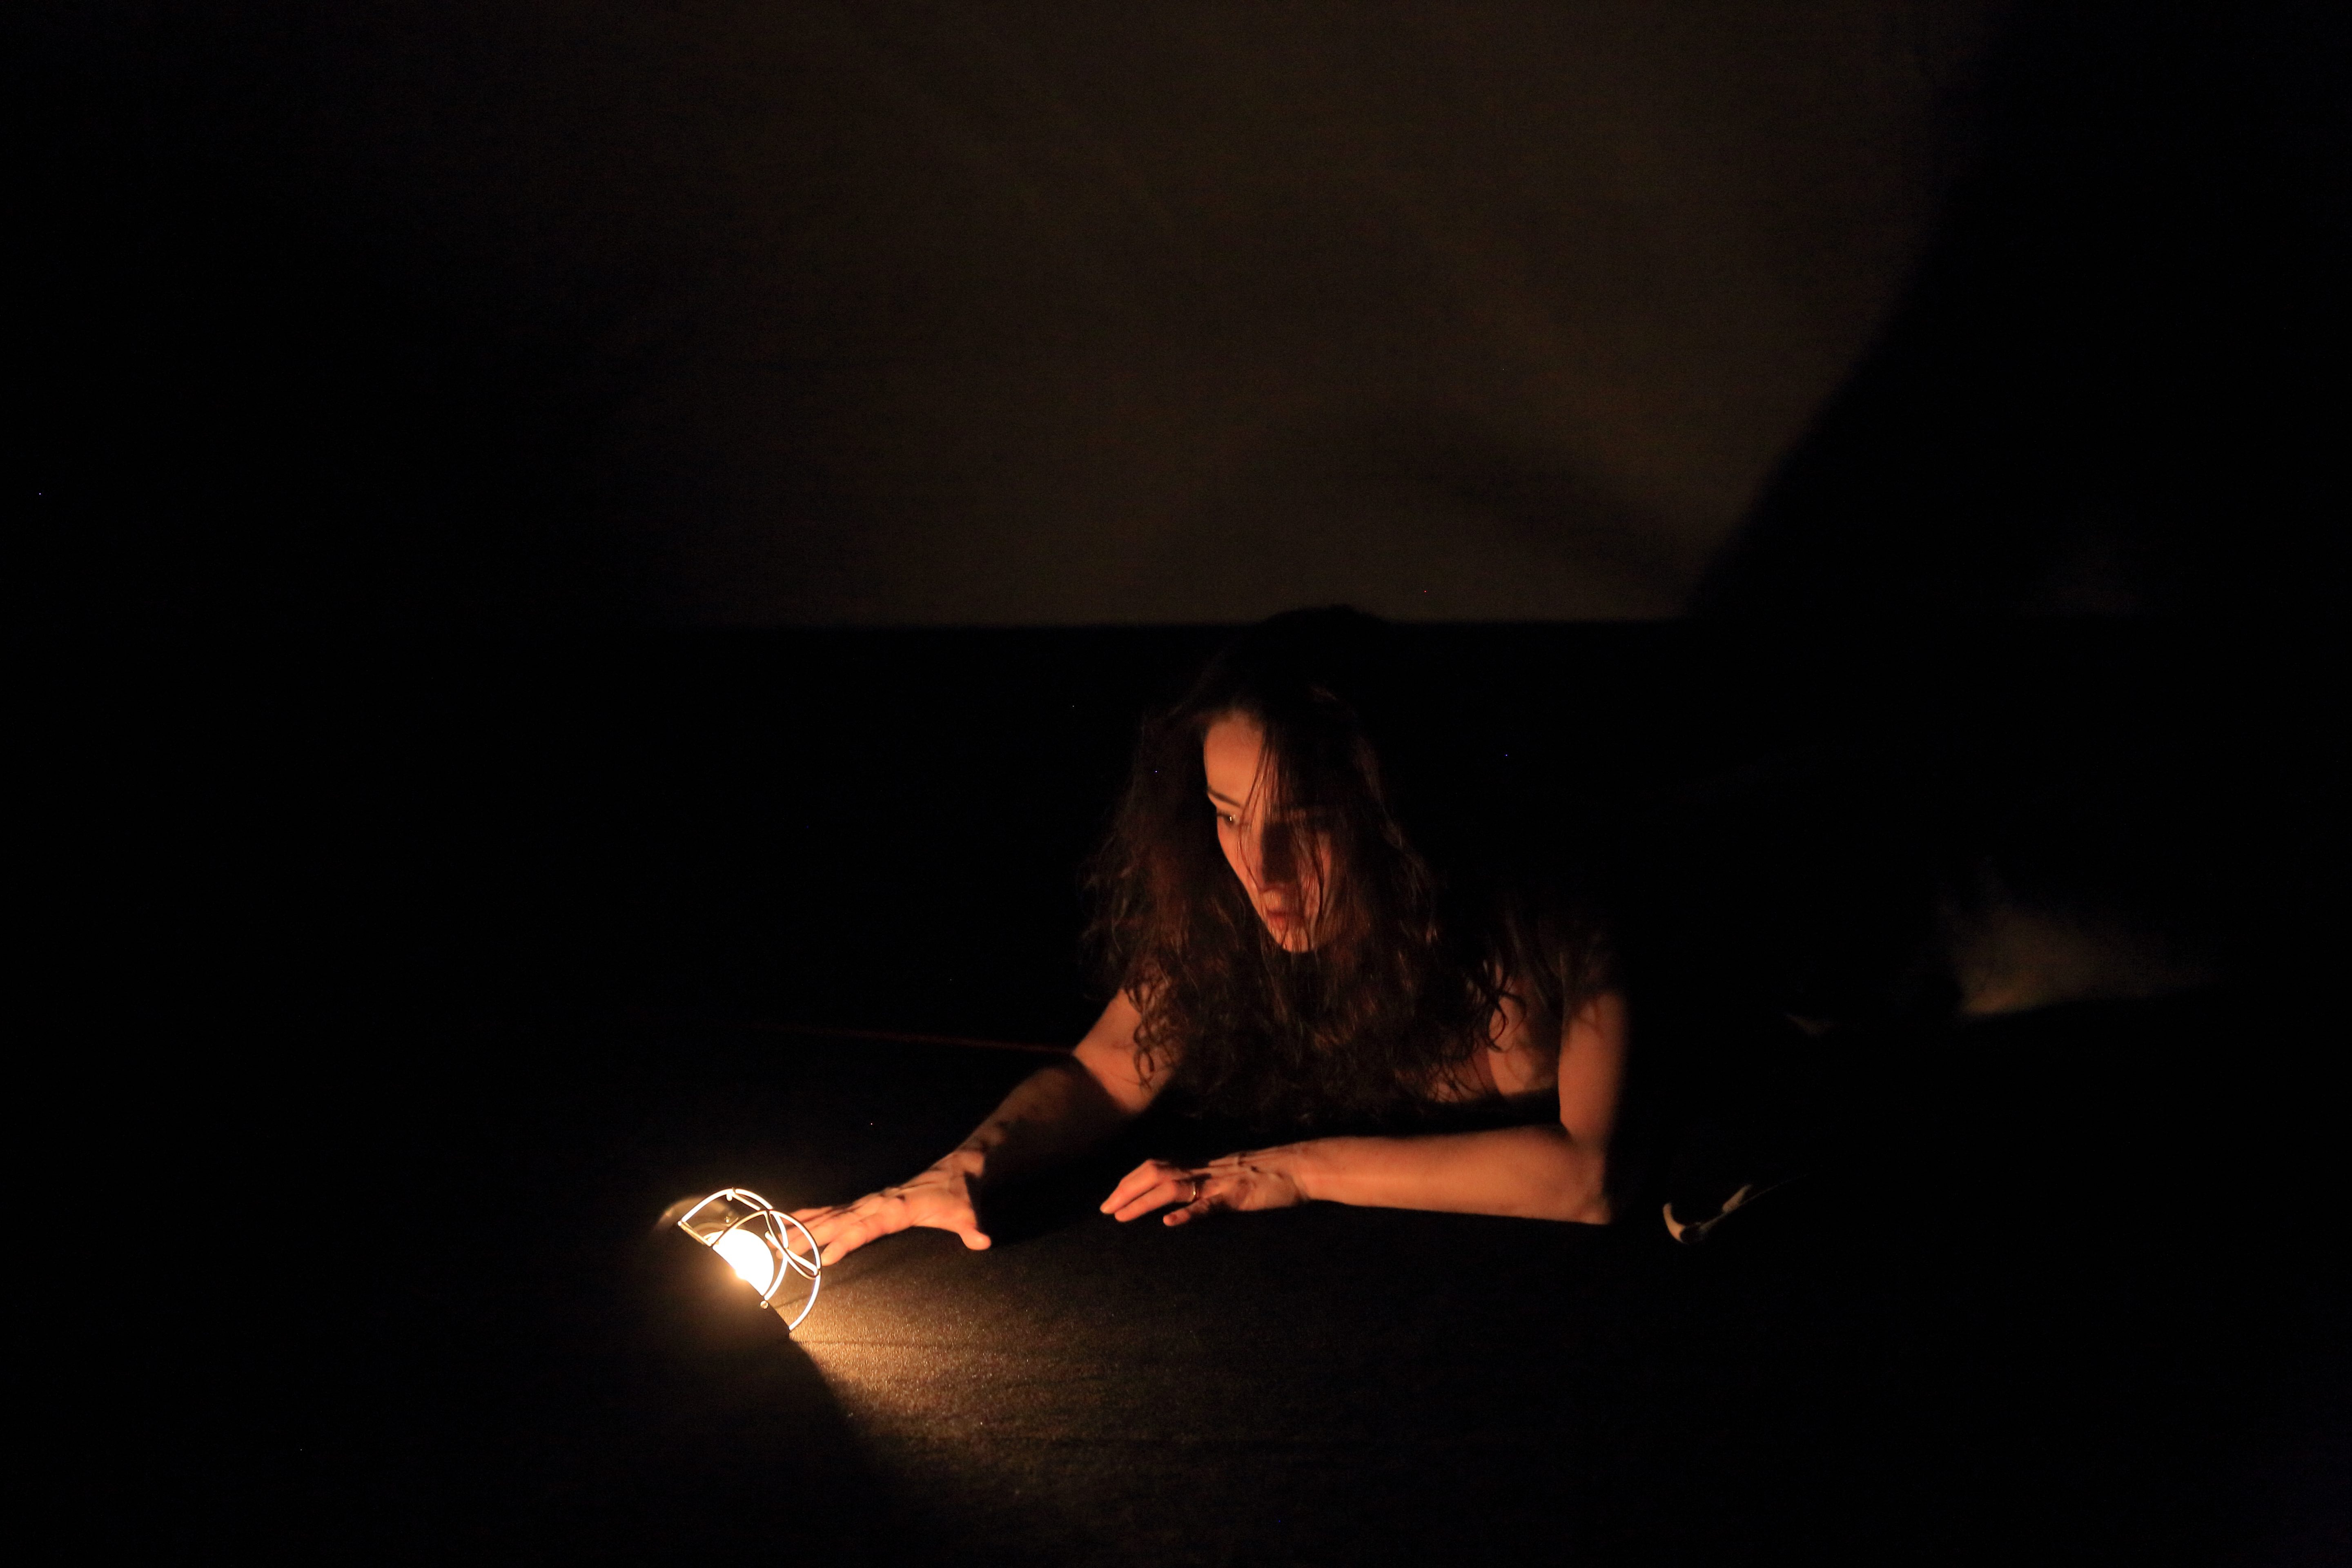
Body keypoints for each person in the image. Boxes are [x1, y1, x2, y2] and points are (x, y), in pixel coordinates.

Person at [794, 608, 1628, 1265]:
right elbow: (1104, 1072)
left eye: (1308, 823)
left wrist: (1291, 1169)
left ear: (1399, 814)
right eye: (1229, 816)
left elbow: (1588, 1178)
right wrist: (962, 1167)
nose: (1262, 869)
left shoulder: (1554, 916)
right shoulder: (1222, 916)